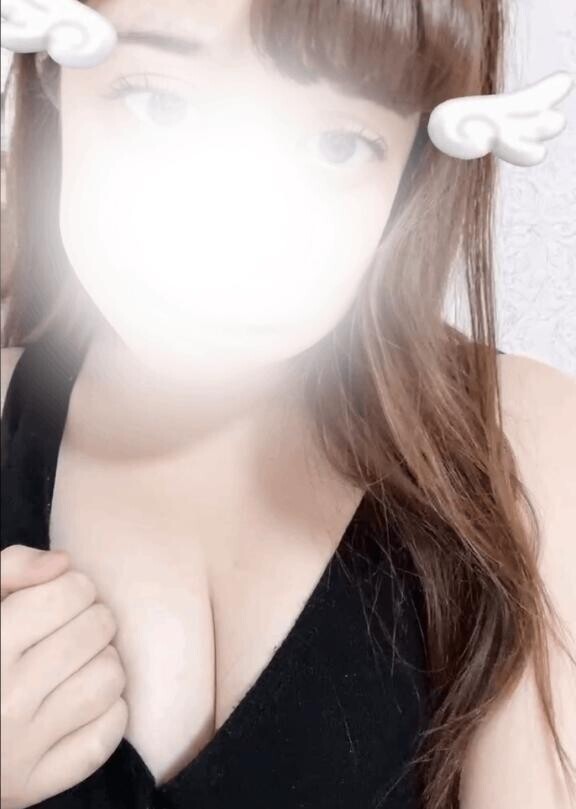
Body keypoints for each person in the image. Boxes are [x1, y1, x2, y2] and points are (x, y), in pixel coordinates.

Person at [1, 1, 575, 808]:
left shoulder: (523, 443)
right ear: (52, 70)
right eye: (158, 102)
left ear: (419, 150)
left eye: (337, 144)